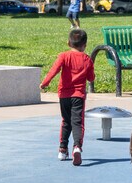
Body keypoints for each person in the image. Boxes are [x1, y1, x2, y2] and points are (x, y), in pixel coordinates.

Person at [40, 29, 95, 166]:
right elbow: (91, 78)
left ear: (68, 42)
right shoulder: (87, 59)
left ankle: (62, 149)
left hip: (64, 95)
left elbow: (54, 70)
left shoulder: (63, 56)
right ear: (85, 45)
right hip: (78, 96)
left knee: (66, 121)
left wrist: (44, 83)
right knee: (77, 123)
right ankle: (77, 147)